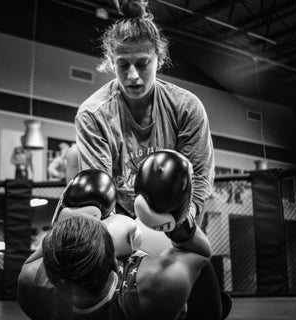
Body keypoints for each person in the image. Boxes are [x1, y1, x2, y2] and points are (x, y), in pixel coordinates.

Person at [18, 152, 230, 320]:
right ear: (115, 261)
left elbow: (33, 262)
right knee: (144, 231)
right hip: (189, 307)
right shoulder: (155, 285)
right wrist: (177, 222)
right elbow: (200, 255)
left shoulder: (32, 288)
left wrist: (63, 221)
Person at [75, 0, 214, 220]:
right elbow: (100, 193)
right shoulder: (93, 114)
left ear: (158, 60)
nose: (132, 76)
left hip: (173, 217)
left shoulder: (186, 107)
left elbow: (198, 177)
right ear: (112, 62)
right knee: (73, 158)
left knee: (197, 253)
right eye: (123, 65)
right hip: (118, 222)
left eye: (142, 64)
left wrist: (181, 222)